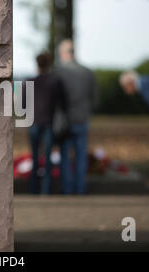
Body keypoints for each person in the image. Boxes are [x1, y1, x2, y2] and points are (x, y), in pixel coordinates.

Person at [55, 39, 98, 194]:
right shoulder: (87, 72)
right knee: (81, 157)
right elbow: (95, 99)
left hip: (65, 121)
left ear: (63, 53)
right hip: (82, 119)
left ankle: (67, 189)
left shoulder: (58, 72)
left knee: (65, 157)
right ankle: (80, 189)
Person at [26, 52, 66, 194]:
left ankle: (33, 189)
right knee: (48, 158)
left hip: (34, 122)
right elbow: (62, 103)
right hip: (49, 123)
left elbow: (22, 104)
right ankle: (46, 190)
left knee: (35, 158)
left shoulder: (29, 81)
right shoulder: (55, 81)